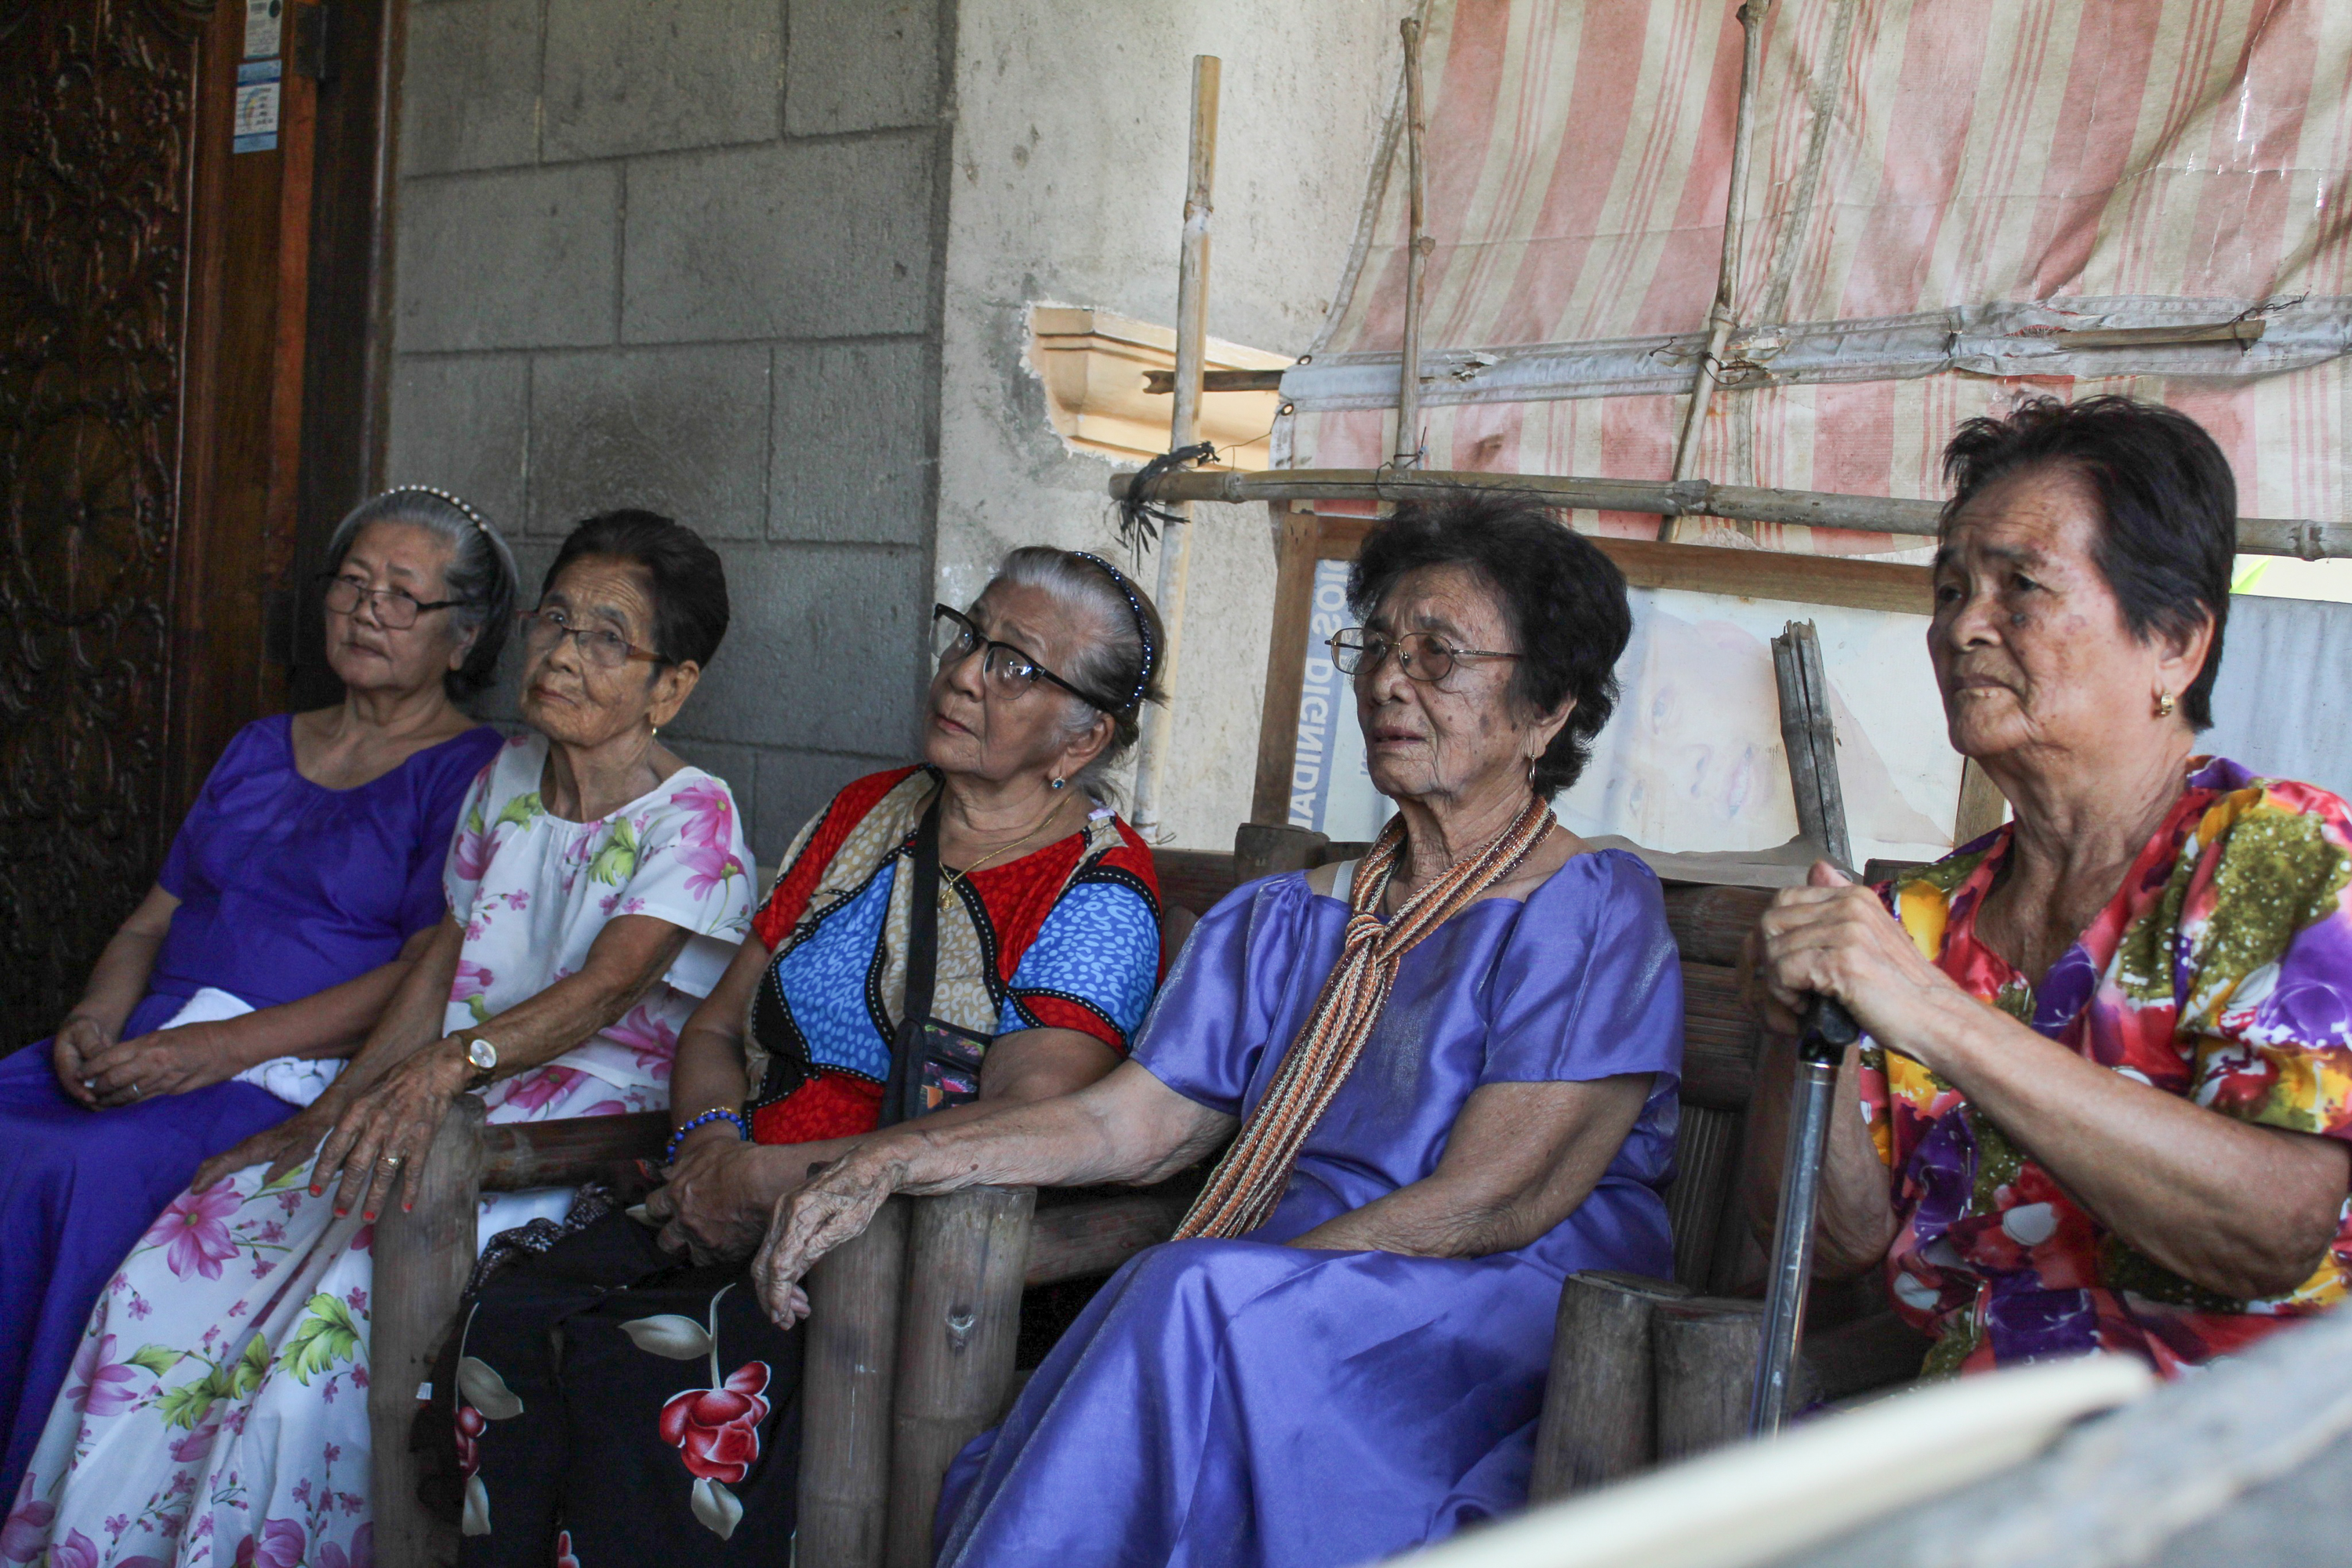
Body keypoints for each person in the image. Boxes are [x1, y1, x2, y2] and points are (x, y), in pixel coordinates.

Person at [752, 493, 1686, 1568]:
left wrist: (1259, 1283)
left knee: (1181, 1297)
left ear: (1547, 708)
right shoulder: (1287, 918)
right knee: (1183, 1300)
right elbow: (1128, 1125)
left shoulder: (1591, 904)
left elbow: (1494, 1197)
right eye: (1377, 645)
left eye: (1437, 658)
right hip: (1272, 1297)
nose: (1386, 680)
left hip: (1488, 1305)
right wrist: (891, 1159)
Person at [5, 510, 756, 1568]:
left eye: (605, 637)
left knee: (301, 1379)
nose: (561, 653)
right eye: (555, 619)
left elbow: (602, 992)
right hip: (435, 1098)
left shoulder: (697, 818)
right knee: (165, 1278)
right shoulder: (504, 779)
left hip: (558, 1136)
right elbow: (443, 958)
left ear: (669, 686)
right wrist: (324, 1114)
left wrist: (451, 1067)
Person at [450, 547, 1168, 1566]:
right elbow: (713, 1026)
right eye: (969, 636)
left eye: (1016, 667)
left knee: (645, 1374)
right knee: (514, 1320)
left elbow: (1012, 1133)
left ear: (1084, 735)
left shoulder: (1095, 895)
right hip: (721, 1188)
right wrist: (708, 1147)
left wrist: (757, 1182)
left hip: (887, 1264)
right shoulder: (866, 813)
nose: (964, 672)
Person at [1745, 395, 2352, 1378]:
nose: (1962, 628)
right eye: (1949, 592)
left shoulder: (2271, 854)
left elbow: (2273, 1232)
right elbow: (1832, 1241)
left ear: (2176, 643)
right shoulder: (1925, 916)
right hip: (1972, 1435)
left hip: (2223, 1456)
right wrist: (1790, 1025)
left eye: (2019, 585)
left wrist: (1933, 1013)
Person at [0, 486, 514, 1500]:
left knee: (74, 1167)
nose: (367, 610)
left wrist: (220, 1049)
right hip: (153, 1042)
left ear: (463, 639)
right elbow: (153, 919)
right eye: (352, 585)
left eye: (402, 597)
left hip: (280, 1075)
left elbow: (423, 975)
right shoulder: (256, 744)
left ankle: (28, 1483)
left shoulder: (471, 772)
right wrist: (90, 1020)